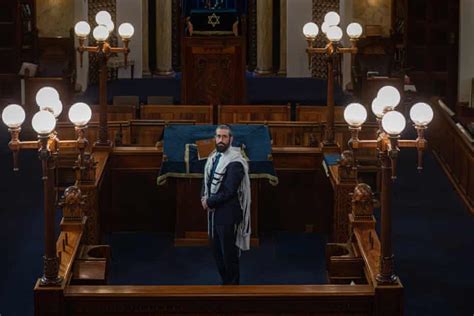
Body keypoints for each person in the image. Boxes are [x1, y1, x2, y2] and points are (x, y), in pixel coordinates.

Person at [201, 125, 251, 285]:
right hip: (214, 214)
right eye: (218, 136)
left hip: (227, 214)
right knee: (217, 252)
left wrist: (209, 201)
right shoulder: (214, 156)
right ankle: (225, 284)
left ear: (231, 139)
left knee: (229, 254)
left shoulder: (235, 161)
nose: (221, 140)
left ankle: (234, 287)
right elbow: (206, 181)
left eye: (224, 137)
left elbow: (229, 191)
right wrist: (204, 197)